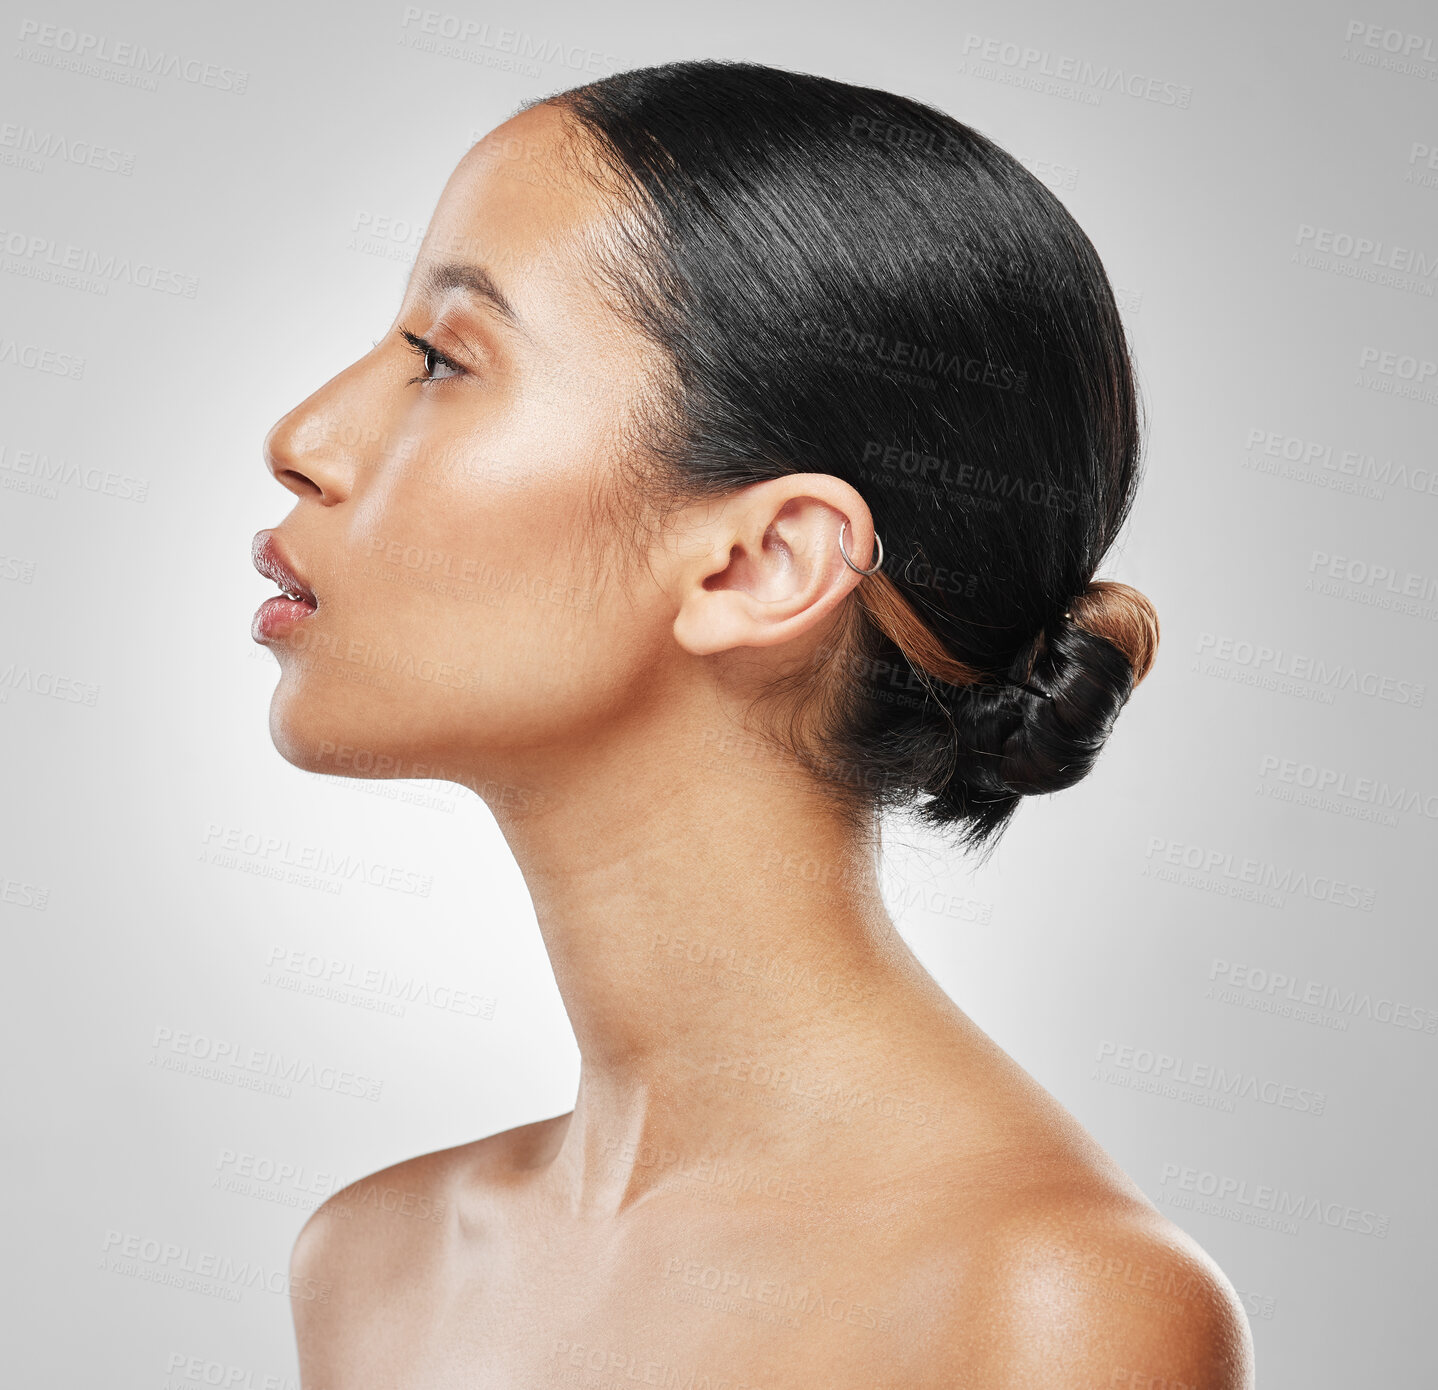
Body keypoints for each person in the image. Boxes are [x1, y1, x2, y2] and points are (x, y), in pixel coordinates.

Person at [253, 59, 1252, 1390]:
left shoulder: (1045, 1309)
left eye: (443, 358)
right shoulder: (369, 1268)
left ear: (760, 562)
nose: (304, 434)